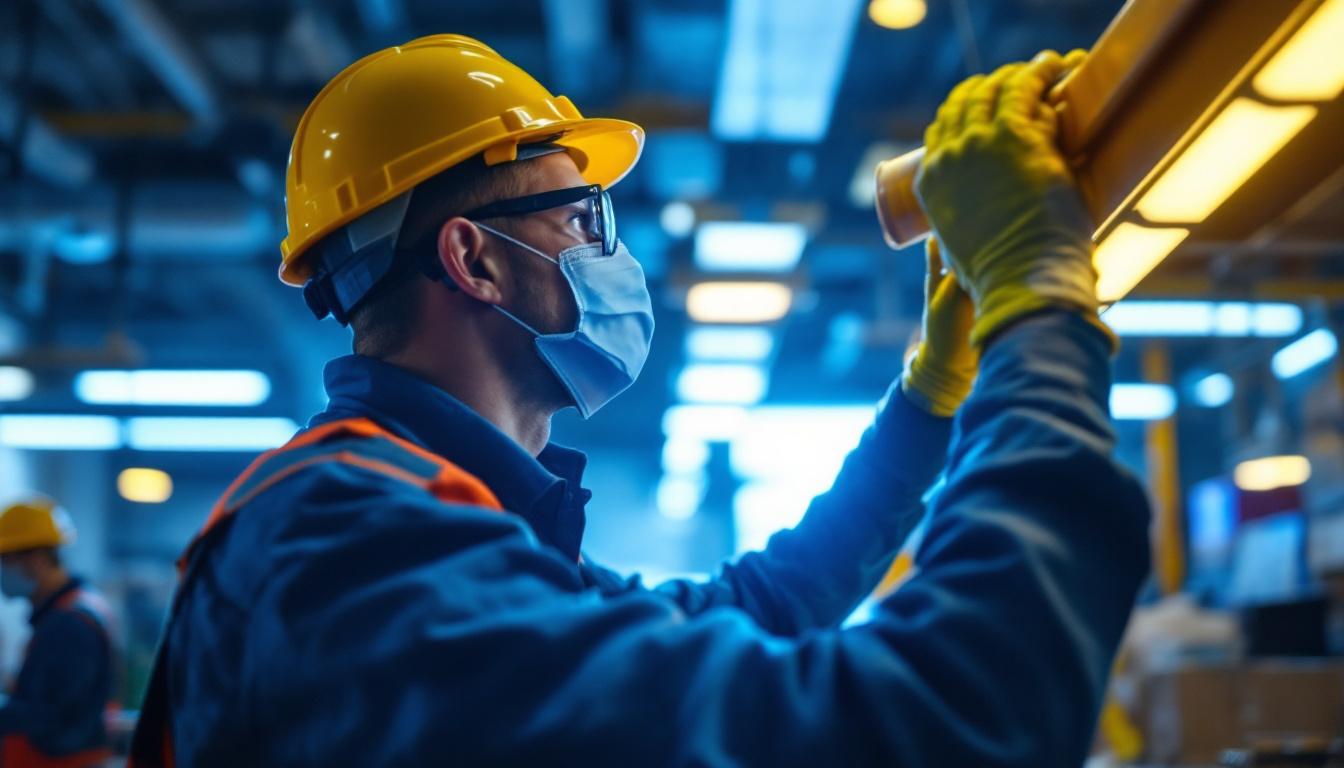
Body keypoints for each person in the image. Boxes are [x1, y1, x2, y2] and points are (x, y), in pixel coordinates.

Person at [130, 37, 1150, 767]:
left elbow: (757, 614)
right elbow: (958, 716)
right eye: (581, 218)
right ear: (473, 258)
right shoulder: (347, 544)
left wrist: (930, 402)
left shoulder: (432, 519)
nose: (613, 256)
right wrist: (1040, 309)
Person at [0, 498, 114, 767]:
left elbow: (55, 715)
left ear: (37, 559)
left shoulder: (69, 623)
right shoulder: (75, 608)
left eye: (5, 560)